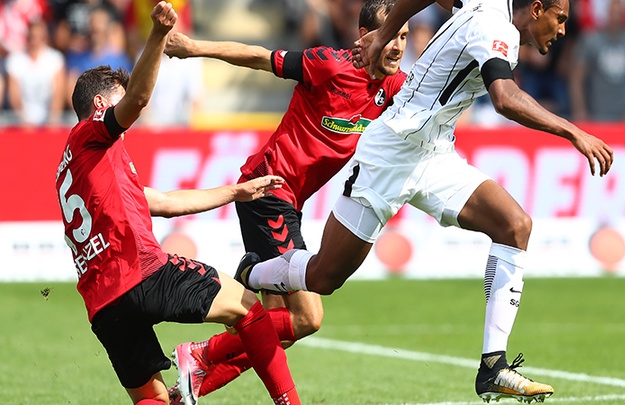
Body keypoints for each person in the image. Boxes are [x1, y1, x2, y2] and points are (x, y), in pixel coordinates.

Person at [237, 0, 614, 402]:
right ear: (537, 8)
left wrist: (386, 32)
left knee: (515, 225)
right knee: (323, 277)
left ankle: (493, 366)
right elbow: (504, 98)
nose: (563, 30)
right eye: (560, 19)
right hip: (391, 152)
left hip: (435, 155)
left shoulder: (483, 4)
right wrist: (574, 131)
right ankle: (253, 273)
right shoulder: (497, 29)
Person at [54, 3, 301, 405]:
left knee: (153, 399)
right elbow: (139, 98)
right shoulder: (91, 135)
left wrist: (235, 192)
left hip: (103, 305)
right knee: (247, 308)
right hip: (140, 272)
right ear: (100, 105)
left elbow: (166, 202)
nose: (125, 109)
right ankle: (281, 397)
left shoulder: (81, 166)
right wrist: (157, 34)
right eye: (116, 100)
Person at [162, 0, 409, 402]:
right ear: (365, 37)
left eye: (404, 35)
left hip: (288, 202)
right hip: (266, 190)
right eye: (391, 35)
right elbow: (258, 57)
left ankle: (187, 390)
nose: (398, 46)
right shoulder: (328, 65)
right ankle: (203, 352)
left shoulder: (395, 89)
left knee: (281, 328)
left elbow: (438, 89)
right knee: (308, 317)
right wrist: (193, 47)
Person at [569, 0, 625, 121]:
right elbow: (577, 78)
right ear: (606, 14)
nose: (616, 18)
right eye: (613, 13)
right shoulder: (592, 39)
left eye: (619, 13)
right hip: (597, 115)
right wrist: (580, 110)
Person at [6, 19, 66, 126]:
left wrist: (52, 121)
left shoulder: (55, 59)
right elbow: (14, 95)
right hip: (22, 121)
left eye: (39, 37)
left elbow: (58, 94)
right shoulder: (15, 59)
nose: (35, 41)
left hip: (48, 119)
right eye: (32, 37)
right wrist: (23, 120)